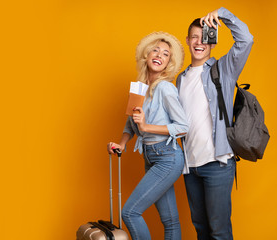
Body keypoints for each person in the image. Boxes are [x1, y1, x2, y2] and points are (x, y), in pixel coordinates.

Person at [176, 7, 254, 240]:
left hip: (217, 163)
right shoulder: (180, 78)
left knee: (219, 231)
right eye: (194, 37)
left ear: (213, 40)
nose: (199, 43)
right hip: (190, 166)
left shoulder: (223, 69)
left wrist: (221, 15)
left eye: (205, 37)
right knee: (201, 228)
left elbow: (246, 39)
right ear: (187, 40)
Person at [107, 31, 189, 240]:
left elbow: (183, 126)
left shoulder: (165, 88)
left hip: (168, 157)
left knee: (130, 212)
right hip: (150, 156)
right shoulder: (139, 88)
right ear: (147, 54)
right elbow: (131, 121)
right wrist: (122, 143)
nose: (160, 55)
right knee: (170, 220)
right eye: (156, 50)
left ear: (168, 63)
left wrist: (147, 126)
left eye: (166, 54)